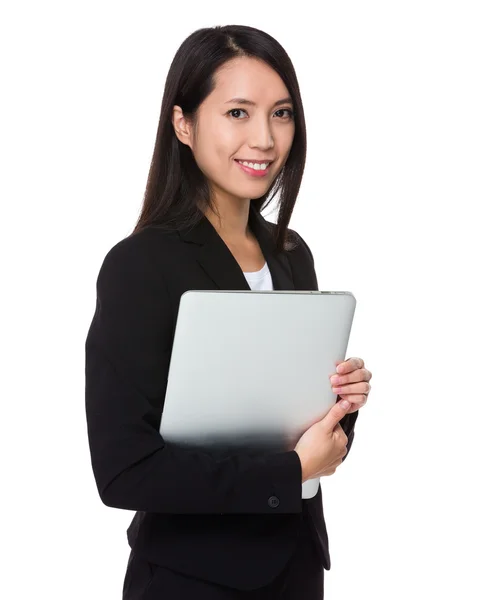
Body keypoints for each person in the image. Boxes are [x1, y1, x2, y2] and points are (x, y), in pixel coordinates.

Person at [85, 24, 372, 599]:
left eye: (282, 113)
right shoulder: (141, 265)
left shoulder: (291, 255)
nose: (264, 138)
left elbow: (287, 427)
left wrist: (341, 408)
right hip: (192, 581)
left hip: (295, 568)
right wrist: (289, 472)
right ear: (183, 123)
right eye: (238, 113)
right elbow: (124, 470)